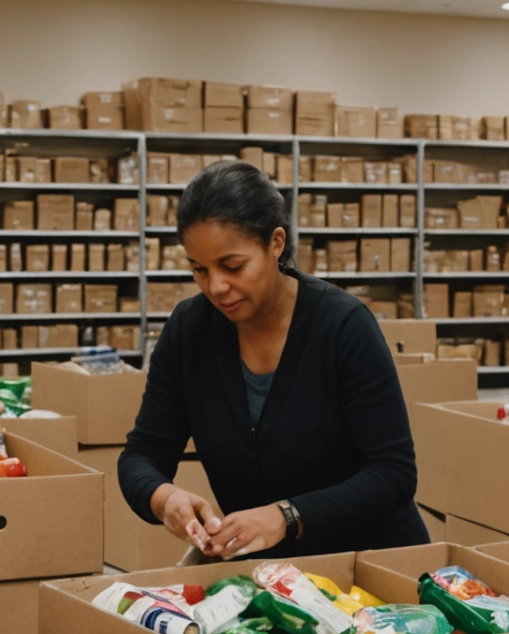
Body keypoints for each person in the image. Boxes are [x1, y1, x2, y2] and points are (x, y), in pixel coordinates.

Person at [118, 159, 425, 559]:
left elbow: (393, 473)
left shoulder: (343, 326)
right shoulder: (190, 331)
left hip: (372, 566)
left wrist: (288, 516)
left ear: (276, 243)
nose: (217, 286)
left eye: (232, 266)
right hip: (270, 577)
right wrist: (164, 497)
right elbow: (142, 454)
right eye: (199, 270)